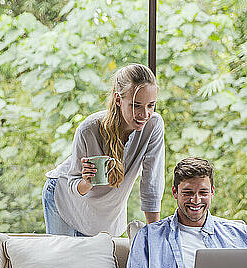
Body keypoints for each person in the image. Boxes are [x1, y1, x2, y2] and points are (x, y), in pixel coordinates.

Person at [43, 64, 165, 237]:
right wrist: (87, 181)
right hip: (65, 200)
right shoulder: (89, 129)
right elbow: (74, 184)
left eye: (151, 105)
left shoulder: (153, 126)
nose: (144, 114)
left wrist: (155, 236)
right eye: (136, 105)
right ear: (118, 99)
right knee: (62, 262)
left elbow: (151, 184)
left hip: (103, 214)